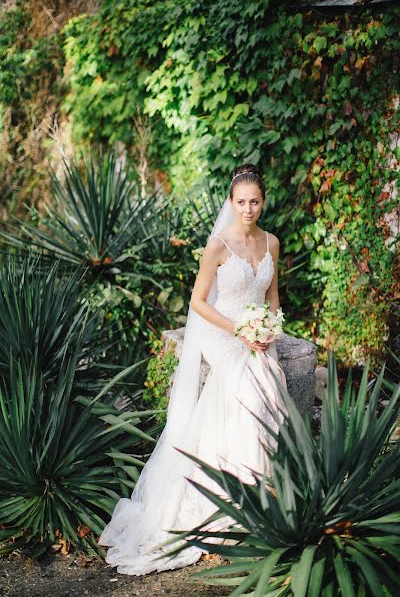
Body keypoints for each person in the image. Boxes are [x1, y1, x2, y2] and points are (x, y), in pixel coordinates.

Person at [98, 163, 288, 575]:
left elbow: (272, 296)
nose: (248, 208)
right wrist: (239, 329)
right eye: (241, 202)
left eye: (255, 201)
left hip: (258, 334)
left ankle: (257, 494)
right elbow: (199, 303)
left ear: (263, 201)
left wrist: (270, 329)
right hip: (224, 333)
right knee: (248, 384)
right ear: (232, 203)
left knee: (271, 379)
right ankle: (238, 497)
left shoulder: (272, 242)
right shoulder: (218, 244)